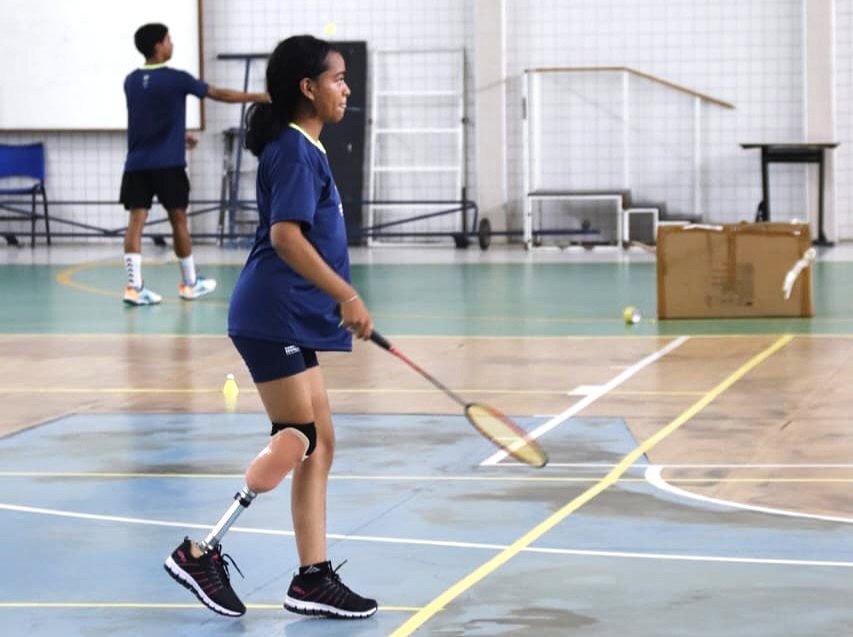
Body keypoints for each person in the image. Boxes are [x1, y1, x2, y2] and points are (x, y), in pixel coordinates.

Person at [163, 35, 377, 620]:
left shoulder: (305, 145)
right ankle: (200, 552)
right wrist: (346, 294)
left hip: (290, 315)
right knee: (298, 436)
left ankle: (312, 579)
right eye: (337, 79)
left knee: (322, 442)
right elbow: (286, 236)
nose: (346, 88)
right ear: (308, 88)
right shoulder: (292, 150)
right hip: (270, 313)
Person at [120, 23, 269, 306]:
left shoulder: (130, 81)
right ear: (158, 47)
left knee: (135, 224)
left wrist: (179, 135)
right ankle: (189, 283)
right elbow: (220, 94)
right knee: (179, 221)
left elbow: (146, 120)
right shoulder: (176, 78)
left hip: (137, 164)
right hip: (168, 166)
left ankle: (133, 287)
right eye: (168, 39)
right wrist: (261, 97)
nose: (171, 43)